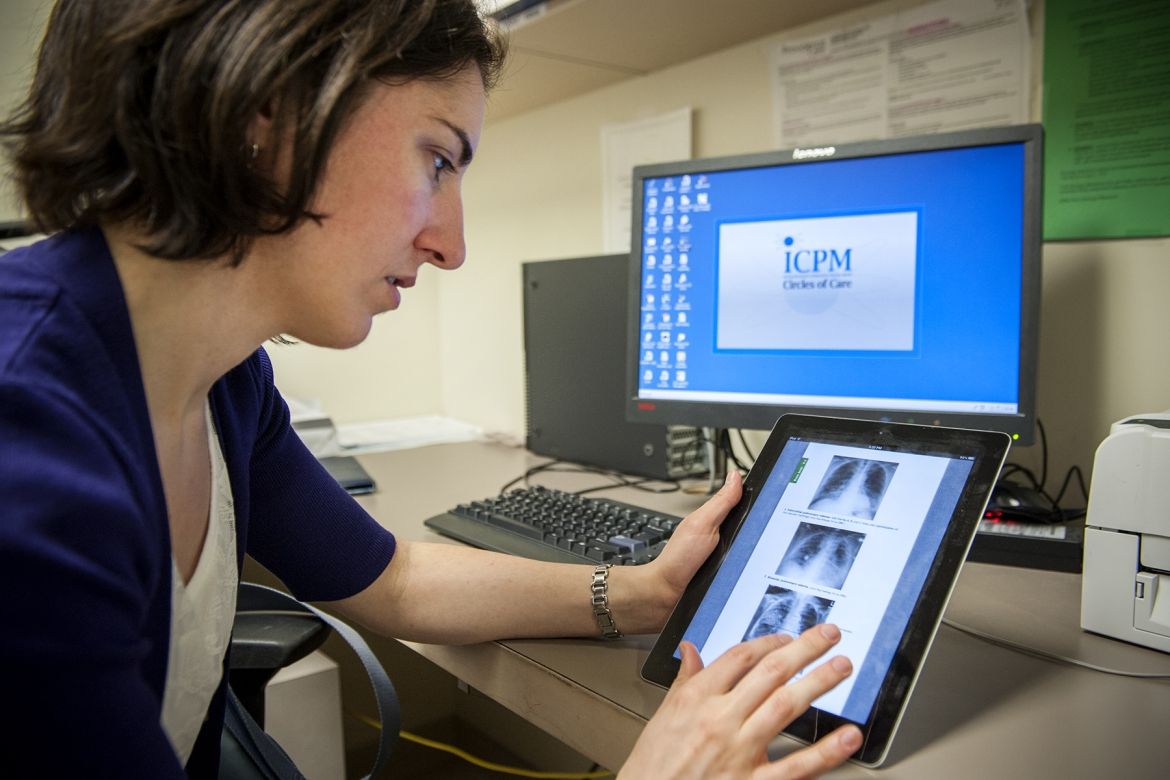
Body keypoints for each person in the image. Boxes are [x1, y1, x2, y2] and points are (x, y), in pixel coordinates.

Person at [0, 1, 863, 776]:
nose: (452, 244)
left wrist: (642, 591)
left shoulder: (225, 382)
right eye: (440, 159)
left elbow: (395, 580)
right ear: (267, 111)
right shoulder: (29, 444)